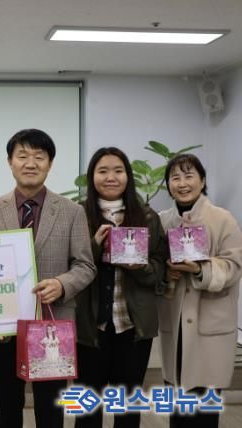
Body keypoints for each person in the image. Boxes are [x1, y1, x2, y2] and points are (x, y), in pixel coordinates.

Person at [0, 128, 96, 428]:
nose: (30, 163)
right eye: (22, 156)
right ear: (10, 162)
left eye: (39, 157)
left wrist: (62, 284)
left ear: (50, 163)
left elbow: (86, 265)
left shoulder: (71, 211)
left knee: (50, 404)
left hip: (52, 324)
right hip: (3, 323)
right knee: (6, 402)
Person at [74, 147, 167, 428]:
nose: (111, 177)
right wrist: (93, 246)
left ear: (128, 176)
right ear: (92, 177)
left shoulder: (147, 217)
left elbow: (160, 268)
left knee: (127, 408)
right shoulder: (77, 214)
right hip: (90, 327)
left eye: (118, 170)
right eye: (102, 171)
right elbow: (67, 266)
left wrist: (139, 267)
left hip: (133, 327)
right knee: (87, 408)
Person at [157, 153, 242, 428]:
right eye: (175, 177)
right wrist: (165, 273)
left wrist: (199, 269)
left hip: (210, 325)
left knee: (204, 407)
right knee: (177, 403)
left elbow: (234, 265)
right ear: (168, 185)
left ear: (202, 180)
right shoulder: (162, 221)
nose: (182, 183)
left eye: (189, 176)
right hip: (175, 323)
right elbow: (153, 264)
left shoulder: (223, 219)